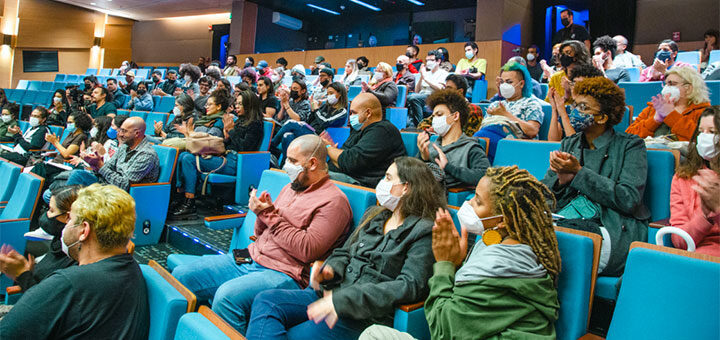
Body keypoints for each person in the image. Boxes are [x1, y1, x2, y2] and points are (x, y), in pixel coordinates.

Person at [246, 156, 445, 340]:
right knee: (266, 301)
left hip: (361, 312)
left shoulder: (424, 231)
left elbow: (409, 286)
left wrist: (345, 299)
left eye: (388, 177)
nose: (382, 183)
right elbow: (344, 252)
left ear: (406, 188)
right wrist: (330, 270)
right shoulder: (376, 215)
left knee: (291, 334)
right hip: (331, 293)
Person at [172, 134, 352, 333]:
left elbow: (307, 250)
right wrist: (261, 213)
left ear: (312, 163)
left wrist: (268, 214)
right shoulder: (290, 188)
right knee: (182, 276)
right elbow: (260, 234)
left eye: (292, 161)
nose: (286, 166)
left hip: (285, 272)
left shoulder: (334, 202)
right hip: (251, 257)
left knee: (227, 297)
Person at [0, 184, 149, 339]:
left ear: (83, 231)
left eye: (70, 219)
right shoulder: (133, 269)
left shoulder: (69, 284)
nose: (66, 225)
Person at [542, 77, 649, 276]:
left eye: (583, 107)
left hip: (611, 227)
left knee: (549, 243)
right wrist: (559, 181)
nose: (574, 111)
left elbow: (629, 199)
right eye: (574, 105)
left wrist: (579, 173)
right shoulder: (570, 143)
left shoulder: (630, 146)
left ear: (602, 117)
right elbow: (543, 193)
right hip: (566, 220)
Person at [171, 90, 264, 218]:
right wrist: (227, 135)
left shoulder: (255, 124)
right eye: (236, 103)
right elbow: (229, 143)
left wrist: (230, 130)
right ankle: (181, 197)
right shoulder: (240, 121)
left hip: (237, 163)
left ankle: (189, 203)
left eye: (240, 104)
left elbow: (244, 148)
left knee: (188, 158)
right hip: (226, 157)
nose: (236, 106)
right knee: (182, 156)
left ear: (249, 106)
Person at [324, 93, 406, 187]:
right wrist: (336, 154)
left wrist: (328, 147)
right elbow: (344, 157)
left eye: (354, 113)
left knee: (313, 175)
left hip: (360, 184)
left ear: (368, 113)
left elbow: (348, 162)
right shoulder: (359, 129)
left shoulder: (382, 130)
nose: (350, 117)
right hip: (345, 176)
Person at [4, 186, 80, 285]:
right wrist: (29, 271)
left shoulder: (73, 259)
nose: (47, 214)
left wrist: (22, 274)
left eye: (52, 210)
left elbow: (43, 297)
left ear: (68, 217)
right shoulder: (58, 242)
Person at [670, 107, 720, 256]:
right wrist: (704, 214)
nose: (705, 137)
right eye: (700, 132)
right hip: (697, 255)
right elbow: (679, 241)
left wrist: (717, 207)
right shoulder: (683, 177)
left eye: (712, 132)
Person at [417, 89, 490, 188]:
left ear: (455, 116)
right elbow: (412, 175)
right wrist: (423, 158)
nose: (435, 120)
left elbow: (485, 175)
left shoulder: (470, 147)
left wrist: (448, 167)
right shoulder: (429, 144)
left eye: (439, 115)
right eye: (433, 116)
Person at [64, 116, 159, 191]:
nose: (120, 134)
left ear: (137, 134)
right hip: (108, 184)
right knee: (74, 175)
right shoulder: (124, 147)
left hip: (124, 194)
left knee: (73, 181)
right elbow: (108, 167)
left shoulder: (146, 155)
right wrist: (95, 164)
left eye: (124, 131)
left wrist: (100, 166)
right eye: (120, 130)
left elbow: (124, 185)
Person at [475, 61, 544, 162]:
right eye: (502, 82)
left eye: (509, 82)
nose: (504, 85)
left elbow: (532, 131)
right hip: (487, 140)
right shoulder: (495, 104)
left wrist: (505, 114)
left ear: (521, 84)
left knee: (478, 143)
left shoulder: (531, 103)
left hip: (516, 147)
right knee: (476, 141)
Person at [626, 66, 711, 141]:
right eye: (666, 84)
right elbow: (629, 137)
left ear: (688, 88)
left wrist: (671, 115)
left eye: (672, 84)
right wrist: (655, 120)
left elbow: (699, 139)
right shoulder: (653, 108)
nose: (667, 87)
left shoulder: (703, 111)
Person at [271, 82, 348, 159]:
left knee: (291, 123)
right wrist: (313, 111)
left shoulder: (342, 111)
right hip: (310, 132)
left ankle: (272, 146)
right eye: (327, 93)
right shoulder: (325, 106)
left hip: (320, 138)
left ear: (340, 94)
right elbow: (310, 121)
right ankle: (285, 165)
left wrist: (316, 109)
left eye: (331, 93)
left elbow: (325, 123)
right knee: (287, 136)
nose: (329, 96)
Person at [29, 112, 92, 186]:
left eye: (70, 122)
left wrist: (55, 142)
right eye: (67, 122)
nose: (68, 124)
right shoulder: (71, 134)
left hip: (64, 165)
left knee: (39, 168)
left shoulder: (81, 136)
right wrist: (55, 151)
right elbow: (63, 149)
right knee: (38, 167)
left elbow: (67, 154)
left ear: (78, 124)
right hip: (55, 163)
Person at [548, 63, 605, 141]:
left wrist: (563, 115)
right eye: (573, 83)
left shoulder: (595, 112)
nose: (574, 88)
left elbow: (575, 145)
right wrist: (554, 110)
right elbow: (552, 142)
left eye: (580, 85)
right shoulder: (569, 109)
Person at [417, 74, 483, 137]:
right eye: (445, 88)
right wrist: (431, 130)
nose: (445, 91)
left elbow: (468, 136)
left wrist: (440, 131)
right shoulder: (445, 107)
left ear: (460, 91)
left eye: (449, 88)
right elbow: (422, 125)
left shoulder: (473, 110)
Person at [407, 50, 449, 127]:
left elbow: (440, 88)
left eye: (432, 60)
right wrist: (421, 78)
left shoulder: (443, 73)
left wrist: (426, 79)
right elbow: (417, 91)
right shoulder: (426, 73)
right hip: (421, 96)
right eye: (427, 60)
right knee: (409, 97)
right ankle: (410, 124)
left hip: (433, 96)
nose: (429, 62)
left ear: (438, 61)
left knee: (413, 98)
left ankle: (420, 125)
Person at [545, 40, 591, 105]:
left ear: (578, 55)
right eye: (562, 53)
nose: (564, 56)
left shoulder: (588, 77)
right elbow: (548, 103)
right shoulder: (556, 77)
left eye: (568, 52)